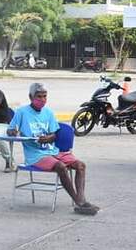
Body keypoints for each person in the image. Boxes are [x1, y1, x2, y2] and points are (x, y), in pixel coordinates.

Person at [8, 83, 98, 215]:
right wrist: (13, 132)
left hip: (53, 151)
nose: (42, 100)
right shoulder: (22, 112)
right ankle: (78, 201)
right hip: (35, 155)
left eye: (45, 96)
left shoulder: (48, 112)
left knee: (80, 165)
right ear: (30, 97)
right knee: (60, 167)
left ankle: (82, 199)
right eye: (39, 97)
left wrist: (50, 138)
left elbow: (54, 134)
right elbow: (10, 129)